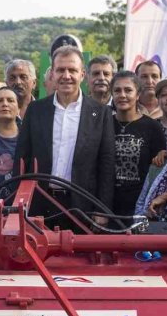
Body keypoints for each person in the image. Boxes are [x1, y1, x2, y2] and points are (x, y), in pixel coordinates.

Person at [14, 44, 115, 220]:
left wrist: (102, 210)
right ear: (52, 73)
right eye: (60, 70)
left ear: (82, 75)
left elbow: (106, 165)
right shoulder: (36, 110)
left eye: (72, 70)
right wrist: (18, 204)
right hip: (38, 204)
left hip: (83, 208)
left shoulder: (101, 113)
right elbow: (22, 158)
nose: (66, 76)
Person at [110, 71, 165, 216]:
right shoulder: (103, 124)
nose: (122, 95)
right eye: (117, 90)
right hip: (107, 205)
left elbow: (159, 168)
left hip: (140, 205)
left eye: (128, 90)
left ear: (138, 94)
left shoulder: (153, 127)